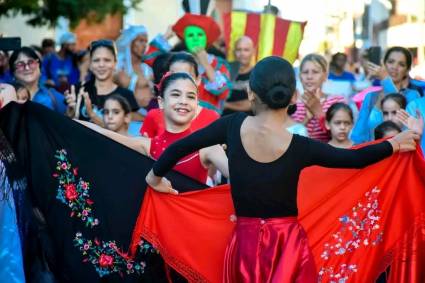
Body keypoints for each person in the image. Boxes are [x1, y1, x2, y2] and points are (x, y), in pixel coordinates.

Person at [144, 56, 418, 282]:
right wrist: (393, 144)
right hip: (287, 245)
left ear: (251, 92)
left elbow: (179, 147)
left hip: (245, 243)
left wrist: (154, 176)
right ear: (293, 96)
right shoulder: (300, 146)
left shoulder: (231, 126)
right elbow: (354, 160)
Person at [80, 72, 228, 184]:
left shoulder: (208, 148)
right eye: (176, 95)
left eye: (190, 97)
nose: (183, 101)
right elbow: (101, 134)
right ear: (161, 102)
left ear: (196, 105)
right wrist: (64, 122)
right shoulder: (147, 145)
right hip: (153, 221)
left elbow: (243, 180)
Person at [140, 52, 219, 138]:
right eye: (175, 75)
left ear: (198, 80)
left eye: (187, 75)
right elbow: (145, 148)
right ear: (166, 78)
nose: (181, 81)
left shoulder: (211, 118)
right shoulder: (154, 116)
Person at [65, 40, 140, 127]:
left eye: (107, 60)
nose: (101, 65)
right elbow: (64, 128)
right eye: (96, 60)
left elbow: (125, 135)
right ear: (91, 64)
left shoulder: (126, 96)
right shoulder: (78, 91)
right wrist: (70, 113)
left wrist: (92, 115)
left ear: (115, 63)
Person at [171, 13, 231, 114]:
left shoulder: (219, 63)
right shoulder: (174, 60)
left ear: (206, 38)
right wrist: (165, 36)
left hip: (208, 123)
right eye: (190, 35)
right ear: (185, 39)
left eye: (199, 35)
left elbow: (224, 93)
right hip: (178, 119)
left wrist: (206, 64)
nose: (195, 39)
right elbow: (149, 61)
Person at [292, 53, 346, 142]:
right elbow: (288, 139)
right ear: (300, 77)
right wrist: (307, 117)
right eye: (305, 72)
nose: (309, 77)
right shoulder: (293, 105)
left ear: (325, 76)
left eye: (315, 72)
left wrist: (318, 111)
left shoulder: (337, 101)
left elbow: (341, 135)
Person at [9, 47, 67, 114]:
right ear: (12, 71)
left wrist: (70, 114)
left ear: (39, 67)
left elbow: (64, 122)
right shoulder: (5, 96)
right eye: (20, 64)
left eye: (31, 62)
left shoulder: (54, 97)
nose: (27, 68)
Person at [223, 36, 255, 115]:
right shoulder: (224, 69)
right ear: (234, 52)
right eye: (239, 50)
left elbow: (253, 103)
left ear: (253, 52)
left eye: (246, 50)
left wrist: (226, 105)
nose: (242, 54)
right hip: (223, 121)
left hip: (246, 123)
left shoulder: (257, 73)